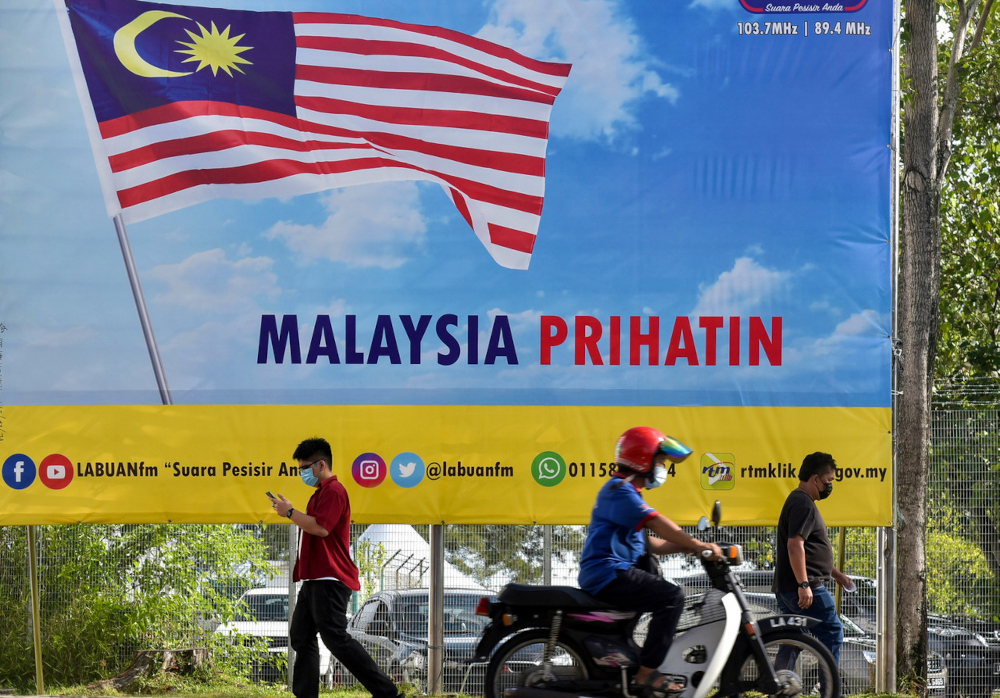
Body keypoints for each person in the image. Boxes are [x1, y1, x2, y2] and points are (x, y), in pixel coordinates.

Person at [578, 426, 722, 698]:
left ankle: (633, 664)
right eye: (661, 461)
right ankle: (647, 673)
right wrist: (697, 544)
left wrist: (688, 548)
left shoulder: (626, 492)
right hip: (608, 573)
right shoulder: (621, 492)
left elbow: (649, 543)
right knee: (672, 597)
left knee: (659, 588)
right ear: (642, 460)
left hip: (612, 571)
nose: (663, 468)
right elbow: (656, 522)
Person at [270, 438, 403, 698]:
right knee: (301, 635)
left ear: (321, 465)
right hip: (315, 578)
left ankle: (388, 693)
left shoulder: (334, 491)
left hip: (329, 578)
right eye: (300, 468)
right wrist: (291, 512)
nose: (302, 473)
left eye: (305, 467)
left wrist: (290, 512)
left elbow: (321, 528)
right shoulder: (320, 493)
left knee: (335, 639)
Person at [772, 451, 853, 673]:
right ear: (815, 479)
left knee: (794, 638)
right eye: (828, 481)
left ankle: (779, 685)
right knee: (832, 632)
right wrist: (804, 584)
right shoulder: (803, 504)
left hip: (790, 587)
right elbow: (794, 545)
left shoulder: (799, 500)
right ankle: (829, 688)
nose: (830, 486)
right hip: (805, 588)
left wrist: (838, 576)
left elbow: (809, 551)